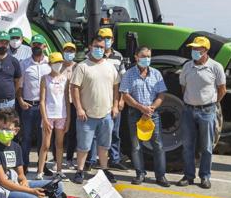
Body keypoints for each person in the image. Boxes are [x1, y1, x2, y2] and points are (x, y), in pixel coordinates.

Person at [178, 36, 227, 189]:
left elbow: (222, 90)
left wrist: (211, 102)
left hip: (207, 111)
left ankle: (205, 176)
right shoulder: (187, 66)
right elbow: (183, 87)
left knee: (206, 146)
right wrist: (192, 100)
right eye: (193, 49)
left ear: (205, 50)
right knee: (187, 145)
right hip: (188, 110)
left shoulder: (215, 67)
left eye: (197, 49)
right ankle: (188, 175)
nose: (194, 52)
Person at [70, 34, 119, 184]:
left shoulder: (110, 66)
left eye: (102, 47)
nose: (99, 50)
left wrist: (115, 105)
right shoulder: (82, 66)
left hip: (106, 114)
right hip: (86, 115)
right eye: (96, 47)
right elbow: (75, 88)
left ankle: (103, 169)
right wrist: (79, 108)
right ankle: (80, 171)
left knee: (104, 145)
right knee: (84, 146)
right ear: (90, 47)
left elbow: (116, 87)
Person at [119, 47, 170, 187]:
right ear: (136, 57)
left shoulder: (156, 74)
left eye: (148, 56)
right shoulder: (129, 74)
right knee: (136, 146)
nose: (146, 58)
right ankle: (140, 174)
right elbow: (125, 95)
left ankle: (161, 176)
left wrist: (152, 108)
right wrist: (141, 107)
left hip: (152, 114)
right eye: (143, 56)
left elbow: (161, 95)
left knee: (158, 145)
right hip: (135, 113)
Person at [18, 34, 52, 174]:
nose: (37, 46)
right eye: (34, 44)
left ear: (44, 46)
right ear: (31, 46)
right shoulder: (24, 64)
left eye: (39, 44)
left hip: (44, 108)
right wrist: (20, 100)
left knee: (42, 138)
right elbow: (19, 85)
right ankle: (24, 165)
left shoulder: (50, 63)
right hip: (28, 107)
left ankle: (42, 165)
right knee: (25, 138)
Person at [37, 52, 70, 181]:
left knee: (60, 144)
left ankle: (59, 170)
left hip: (62, 115)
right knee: (45, 144)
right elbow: (42, 101)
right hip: (49, 115)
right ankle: (40, 171)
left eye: (60, 62)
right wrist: (44, 119)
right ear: (50, 64)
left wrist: (68, 119)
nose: (58, 65)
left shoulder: (65, 79)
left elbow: (67, 100)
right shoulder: (45, 78)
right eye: (56, 62)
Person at [99, 28, 129, 171]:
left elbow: (123, 80)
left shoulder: (118, 56)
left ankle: (114, 158)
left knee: (114, 132)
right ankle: (93, 159)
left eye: (108, 38)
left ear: (113, 40)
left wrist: (122, 100)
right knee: (96, 132)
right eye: (103, 38)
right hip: (98, 98)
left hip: (114, 99)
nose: (106, 41)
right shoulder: (94, 55)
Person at [61, 42, 78, 169]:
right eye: (67, 51)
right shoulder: (57, 66)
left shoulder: (78, 67)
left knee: (72, 132)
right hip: (59, 103)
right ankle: (57, 158)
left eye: (71, 51)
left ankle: (70, 158)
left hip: (72, 103)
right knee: (59, 131)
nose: (69, 53)